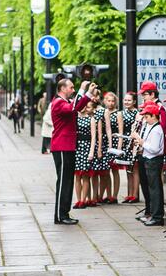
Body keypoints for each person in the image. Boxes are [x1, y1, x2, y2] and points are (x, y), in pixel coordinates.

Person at [50, 78, 95, 225]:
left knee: (68, 181)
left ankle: (64, 213)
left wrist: (88, 93)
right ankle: (60, 215)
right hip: (62, 146)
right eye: (71, 87)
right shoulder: (58, 102)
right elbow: (73, 108)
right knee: (63, 181)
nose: (73, 90)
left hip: (68, 146)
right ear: (63, 88)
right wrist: (83, 90)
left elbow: (78, 106)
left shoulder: (65, 102)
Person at [131, 103, 165, 226]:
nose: (145, 119)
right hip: (149, 159)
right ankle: (153, 214)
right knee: (152, 188)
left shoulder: (156, 129)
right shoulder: (151, 126)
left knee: (155, 189)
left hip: (154, 160)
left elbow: (154, 149)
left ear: (153, 116)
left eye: (146, 116)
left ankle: (157, 217)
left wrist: (140, 141)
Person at [100, 92, 124, 203]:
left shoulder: (118, 114)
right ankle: (108, 195)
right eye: (108, 101)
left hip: (114, 143)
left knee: (115, 170)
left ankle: (114, 196)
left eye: (113, 101)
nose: (111, 103)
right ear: (104, 101)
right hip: (104, 142)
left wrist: (119, 148)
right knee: (106, 171)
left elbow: (120, 131)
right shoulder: (102, 112)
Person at [73, 99, 96, 209]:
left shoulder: (91, 119)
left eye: (84, 106)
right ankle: (78, 200)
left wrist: (91, 151)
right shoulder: (74, 118)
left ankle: (83, 200)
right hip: (76, 148)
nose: (82, 107)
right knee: (77, 176)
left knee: (85, 176)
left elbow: (93, 137)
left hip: (87, 148)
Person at [120, 92, 140, 203]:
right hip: (125, 141)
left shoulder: (137, 113)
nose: (126, 102)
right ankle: (129, 194)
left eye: (129, 100)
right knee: (128, 169)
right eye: (125, 100)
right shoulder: (122, 113)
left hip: (133, 142)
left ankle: (135, 195)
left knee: (135, 169)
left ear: (134, 102)